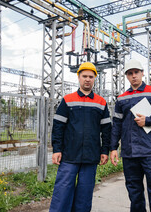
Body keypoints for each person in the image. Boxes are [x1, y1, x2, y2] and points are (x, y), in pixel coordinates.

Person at [110, 59, 151, 212]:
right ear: (126, 76)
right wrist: (113, 148)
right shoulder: (121, 98)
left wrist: (149, 120)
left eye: (136, 72)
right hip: (129, 152)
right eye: (130, 73)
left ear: (142, 73)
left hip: (150, 150)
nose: (133, 76)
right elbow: (117, 124)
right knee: (134, 191)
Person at [49, 62, 111, 212]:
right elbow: (58, 127)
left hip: (91, 156)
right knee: (62, 194)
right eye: (84, 76)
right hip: (69, 156)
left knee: (84, 196)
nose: (87, 79)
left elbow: (107, 129)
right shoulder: (68, 100)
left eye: (91, 76)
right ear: (79, 77)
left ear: (95, 78)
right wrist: (57, 149)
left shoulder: (101, 102)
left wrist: (105, 151)